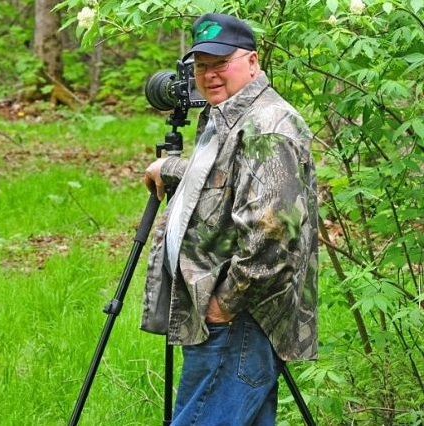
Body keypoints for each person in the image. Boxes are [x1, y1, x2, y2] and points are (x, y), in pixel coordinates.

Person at [139, 13, 318, 425]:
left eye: (221, 64)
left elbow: (272, 233)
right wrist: (172, 169)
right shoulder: (232, 118)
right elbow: (232, 179)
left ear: (252, 62)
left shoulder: (268, 126)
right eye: (201, 66)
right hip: (225, 318)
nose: (210, 75)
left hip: (238, 319)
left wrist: (224, 304)